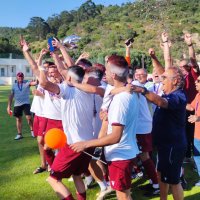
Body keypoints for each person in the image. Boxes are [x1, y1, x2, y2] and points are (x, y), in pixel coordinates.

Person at [71, 55, 140, 200]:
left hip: (120, 155)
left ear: (113, 74)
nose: (105, 74)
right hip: (124, 153)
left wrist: (86, 144)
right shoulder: (124, 93)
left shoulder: (121, 99)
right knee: (125, 193)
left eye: (107, 70)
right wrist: (106, 119)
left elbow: (116, 136)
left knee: (123, 196)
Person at [133, 66, 187, 200]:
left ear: (174, 81)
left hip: (173, 146)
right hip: (165, 146)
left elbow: (162, 103)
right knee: (161, 174)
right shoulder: (168, 94)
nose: (161, 80)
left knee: (174, 181)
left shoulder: (178, 96)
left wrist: (143, 91)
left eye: (165, 78)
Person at [7, 72, 36, 140]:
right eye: (19, 76)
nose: (20, 78)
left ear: (23, 77)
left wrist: (37, 74)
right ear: (17, 77)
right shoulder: (14, 85)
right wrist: (9, 106)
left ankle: (32, 131)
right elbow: (11, 96)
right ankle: (19, 134)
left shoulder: (27, 83)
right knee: (18, 119)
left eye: (21, 76)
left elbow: (34, 83)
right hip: (17, 104)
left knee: (29, 118)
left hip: (26, 103)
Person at [187, 75, 200, 186]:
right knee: (197, 158)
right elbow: (191, 107)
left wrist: (198, 118)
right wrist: (179, 101)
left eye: (199, 81)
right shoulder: (198, 95)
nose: (196, 82)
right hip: (197, 135)